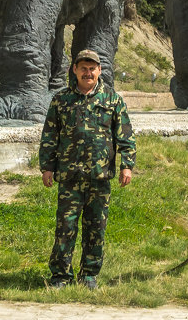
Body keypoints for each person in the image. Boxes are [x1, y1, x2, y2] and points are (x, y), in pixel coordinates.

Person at [39, 49, 136, 289]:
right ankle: (60, 276)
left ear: (99, 71)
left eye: (92, 68)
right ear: (74, 70)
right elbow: (50, 134)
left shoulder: (112, 99)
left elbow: (125, 136)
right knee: (65, 227)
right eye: (83, 67)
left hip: (99, 177)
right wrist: (47, 167)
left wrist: (127, 166)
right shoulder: (61, 100)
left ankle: (89, 275)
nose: (88, 72)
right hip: (70, 177)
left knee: (96, 228)